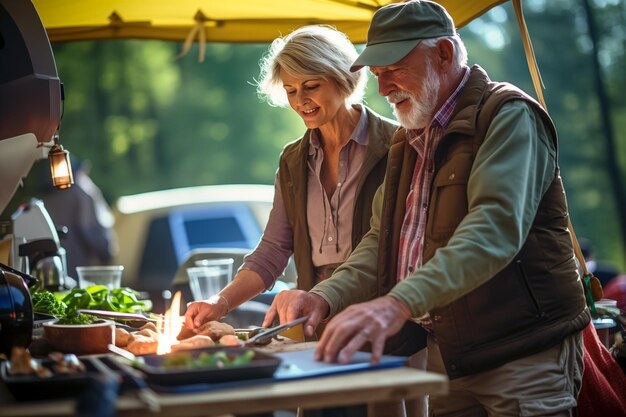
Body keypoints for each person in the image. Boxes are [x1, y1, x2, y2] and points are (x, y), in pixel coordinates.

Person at [264, 1, 590, 416]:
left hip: (521, 355)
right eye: (378, 75)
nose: (383, 89)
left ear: (444, 54)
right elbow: (381, 240)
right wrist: (324, 298)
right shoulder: (408, 139)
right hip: (452, 358)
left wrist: (395, 304)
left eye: (394, 69)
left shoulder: (507, 115)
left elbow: (492, 231)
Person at [39, 157, 117, 280]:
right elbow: (91, 229)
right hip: (82, 269)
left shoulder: (45, 198)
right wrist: (106, 252)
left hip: (53, 270)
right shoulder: (81, 191)